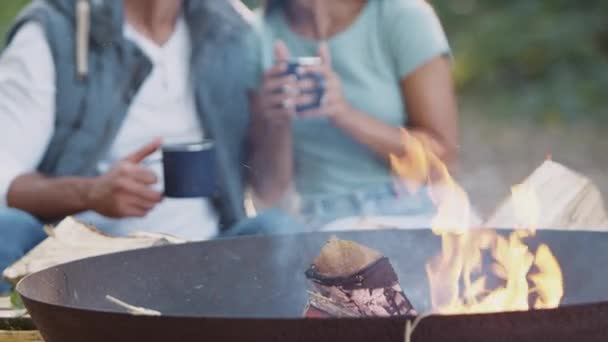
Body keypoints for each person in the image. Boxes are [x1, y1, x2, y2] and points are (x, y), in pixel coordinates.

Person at [0, 0, 255, 292]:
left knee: (278, 230)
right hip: (76, 270)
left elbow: (275, 191)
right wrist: (90, 192)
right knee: (4, 229)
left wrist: (281, 122)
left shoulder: (230, 28)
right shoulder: (54, 29)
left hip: (207, 257)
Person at [248, 0, 459, 231]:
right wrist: (275, 121)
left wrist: (344, 114)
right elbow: (269, 191)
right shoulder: (256, 34)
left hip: (415, 207)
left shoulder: (402, 16)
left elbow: (441, 153)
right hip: (322, 220)